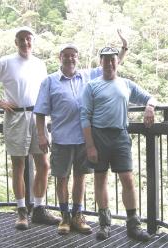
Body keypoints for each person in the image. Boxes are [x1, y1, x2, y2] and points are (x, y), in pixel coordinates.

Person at [34, 31, 128, 235]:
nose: (70, 58)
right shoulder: (50, 81)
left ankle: (77, 215)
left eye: (73, 54)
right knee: (62, 178)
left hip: (85, 140)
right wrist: (42, 135)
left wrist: (124, 49)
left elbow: (111, 64)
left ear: (77, 57)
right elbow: (40, 111)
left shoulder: (87, 75)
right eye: (66, 54)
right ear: (60, 58)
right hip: (61, 138)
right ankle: (65, 217)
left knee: (81, 177)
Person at [0, 26, 60, 230]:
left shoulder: (40, 64)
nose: (25, 42)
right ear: (16, 42)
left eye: (29, 39)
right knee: (19, 165)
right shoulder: (6, 62)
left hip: (38, 117)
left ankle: (39, 208)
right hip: (16, 117)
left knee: (44, 164)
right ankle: (22, 211)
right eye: (21, 39)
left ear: (33, 41)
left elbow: (45, 91)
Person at [80, 46, 157, 241]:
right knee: (100, 179)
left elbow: (151, 96)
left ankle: (133, 226)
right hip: (98, 137)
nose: (109, 63)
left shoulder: (126, 84)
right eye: (105, 59)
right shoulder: (91, 86)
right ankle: (104, 225)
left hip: (121, 135)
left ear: (117, 61)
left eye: (112, 59)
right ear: (101, 62)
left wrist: (149, 106)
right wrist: (90, 146)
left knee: (128, 179)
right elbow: (84, 117)